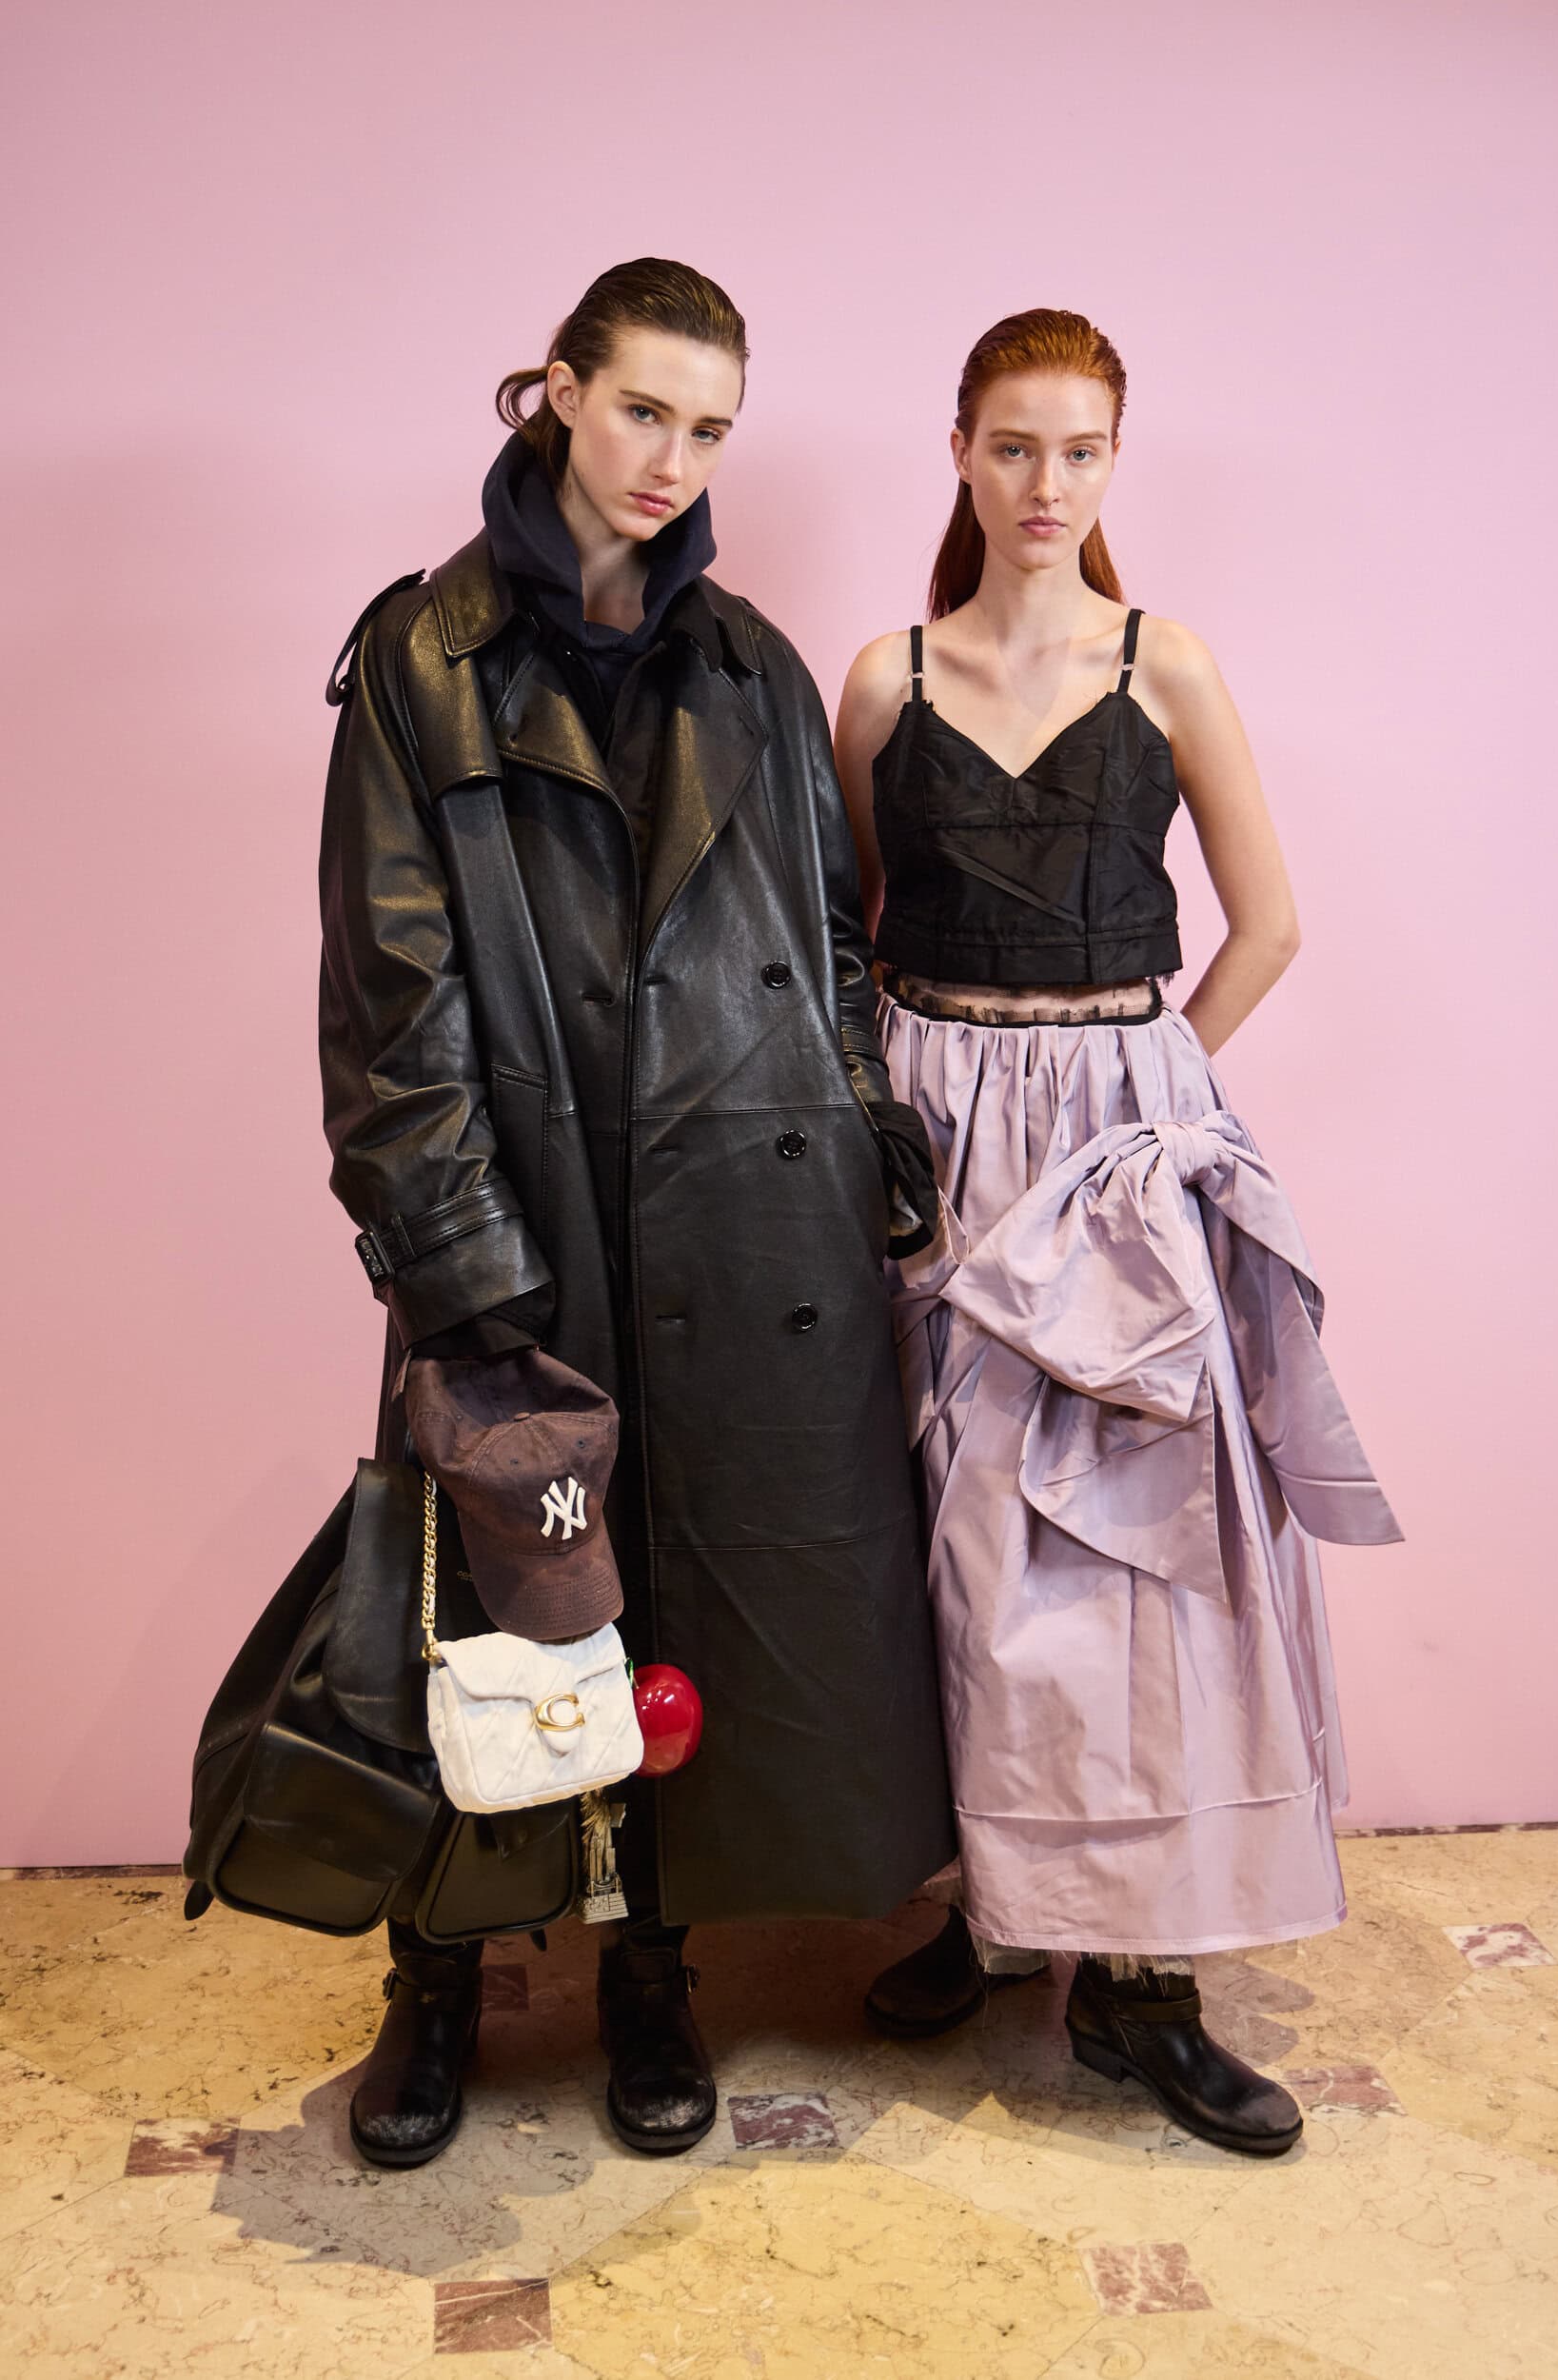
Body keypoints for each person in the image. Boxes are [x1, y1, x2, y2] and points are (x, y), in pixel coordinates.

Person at [318, 258, 953, 2167]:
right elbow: (391, 994)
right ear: (562, 392)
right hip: (524, 1208)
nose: (672, 458)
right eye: (644, 409)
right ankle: (438, 1976)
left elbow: (829, 947)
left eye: (710, 427)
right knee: (485, 1607)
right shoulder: (423, 658)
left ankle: (650, 1967)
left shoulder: (751, 664)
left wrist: (865, 1140)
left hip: (740, 1209)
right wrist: (460, 1261)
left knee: (680, 1611)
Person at [836, 307, 1401, 2158]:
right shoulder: (882, 679)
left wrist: (1159, 1111)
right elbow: (850, 935)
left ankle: (1143, 1986)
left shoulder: (1172, 667)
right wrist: (890, 1115)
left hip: (1117, 1139)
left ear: (1113, 462)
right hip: (937, 1130)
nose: (1046, 484)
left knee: (1138, 1551)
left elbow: (1268, 922)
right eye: (1015, 446)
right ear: (959, 450)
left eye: (1081, 450)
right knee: (956, 1540)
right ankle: (996, 1916)